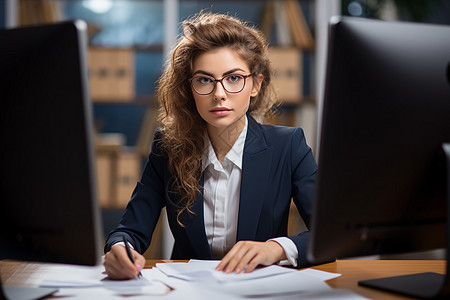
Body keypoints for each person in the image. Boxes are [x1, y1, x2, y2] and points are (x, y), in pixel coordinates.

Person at [103, 11, 317, 280]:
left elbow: (328, 234)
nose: (219, 94)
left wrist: (276, 248)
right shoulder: (168, 148)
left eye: (234, 78)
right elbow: (130, 230)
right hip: (187, 292)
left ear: (256, 84)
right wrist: (120, 249)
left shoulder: (289, 146)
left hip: (260, 292)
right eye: (204, 80)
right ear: (189, 88)